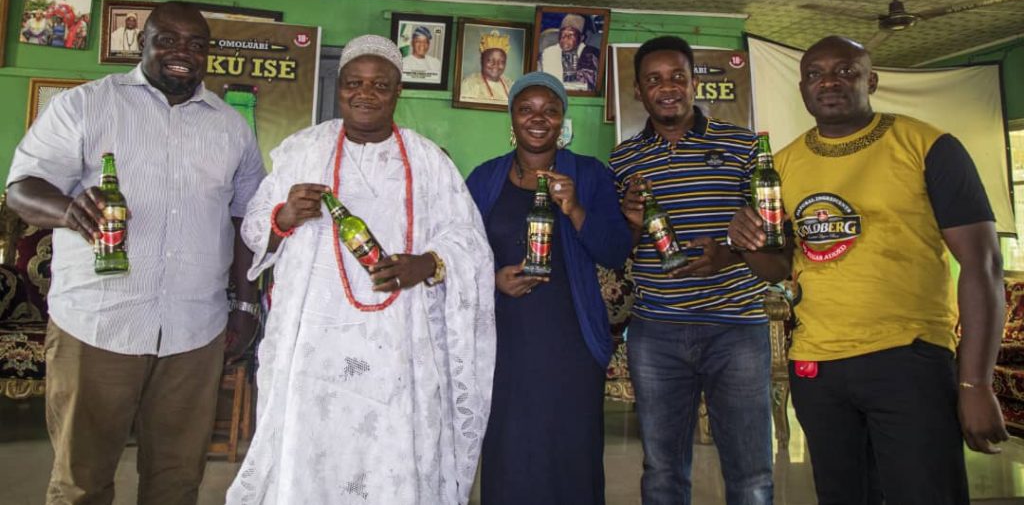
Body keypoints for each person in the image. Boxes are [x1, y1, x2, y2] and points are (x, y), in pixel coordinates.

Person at [729, 35, 1009, 505]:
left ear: (871, 80)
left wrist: (976, 383)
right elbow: (778, 267)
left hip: (909, 358)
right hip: (817, 366)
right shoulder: (784, 165)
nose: (829, 82)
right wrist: (747, 242)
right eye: (815, 74)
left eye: (845, 71)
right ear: (802, 88)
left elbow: (983, 264)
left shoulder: (928, 146)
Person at [5, 1, 266, 505]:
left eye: (196, 44)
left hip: (194, 331)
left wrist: (246, 303)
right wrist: (68, 209)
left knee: (177, 481)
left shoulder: (232, 128)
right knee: (81, 482)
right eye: (167, 40)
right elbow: (22, 188)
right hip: (97, 325)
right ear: (141, 43)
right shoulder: (86, 105)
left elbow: (246, 220)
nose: (182, 52)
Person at [224, 34, 496, 505]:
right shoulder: (301, 150)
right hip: (315, 343)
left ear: (397, 92)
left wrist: (427, 263)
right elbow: (253, 226)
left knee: (390, 451)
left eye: (379, 85)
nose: (365, 94)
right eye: (353, 83)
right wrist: (284, 217)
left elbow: (469, 241)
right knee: (312, 447)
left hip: (400, 344)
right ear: (339, 88)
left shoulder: (430, 161)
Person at [607, 35, 789, 505]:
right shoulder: (623, 160)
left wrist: (728, 255)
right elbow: (617, 250)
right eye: (654, 79)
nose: (667, 88)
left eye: (678, 77)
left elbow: (774, 246)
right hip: (656, 332)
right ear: (638, 90)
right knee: (662, 471)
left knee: (751, 473)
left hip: (736, 329)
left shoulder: (743, 146)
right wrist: (630, 222)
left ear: (694, 84)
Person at [466, 71, 632, 504]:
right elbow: (460, 256)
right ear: (512, 117)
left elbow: (616, 250)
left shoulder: (590, 175)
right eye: (526, 109)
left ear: (563, 119)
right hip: (504, 343)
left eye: (550, 111)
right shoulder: (485, 179)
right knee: (511, 453)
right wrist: (493, 280)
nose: (538, 119)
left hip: (571, 344)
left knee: (570, 456)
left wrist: (575, 208)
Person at [539, 13, 599, 91]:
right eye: (562, 35)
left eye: (571, 35)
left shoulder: (590, 54)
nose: (565, 39)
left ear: (581, 38)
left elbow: (586, 86)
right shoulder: (547, 53)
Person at [459, 29, 514, 103]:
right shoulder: (469, 84)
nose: (496, 65)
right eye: (490, 60)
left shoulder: (510, 85)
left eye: (501, 62)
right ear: (481, 60)